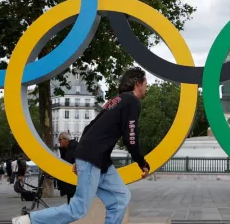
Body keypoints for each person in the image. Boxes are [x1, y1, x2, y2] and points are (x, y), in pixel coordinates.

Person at [13, 67, 150, 224]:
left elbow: (89, 127)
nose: (146, 87)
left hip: (99, 159)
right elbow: (131, 138)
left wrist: (78, 156)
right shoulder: (132, 101)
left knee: (120, 198)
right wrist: (142, 163)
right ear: (138, 83)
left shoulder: (114, 101)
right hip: (93, 157)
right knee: (78, 209)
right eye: (146, 83)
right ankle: (29, 220)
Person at [57, 131, 79, 204]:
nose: (59, 141)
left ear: (66, 140)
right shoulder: (65, 149)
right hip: (70, 182)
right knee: (70, 200)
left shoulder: (73, 148)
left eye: (60, 139)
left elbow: (68, 162)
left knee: (73, 201)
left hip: (74, 182)